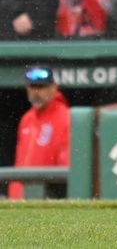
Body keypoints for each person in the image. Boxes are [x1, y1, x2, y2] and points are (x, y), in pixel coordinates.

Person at [7, 67, 70, 200]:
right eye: (32, 87)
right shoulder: (26, 119)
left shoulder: (65, 117)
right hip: (18, 200)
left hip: (46, 201)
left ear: (54, 87)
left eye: (41, 87)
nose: (36, 92)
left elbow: (66, 170)